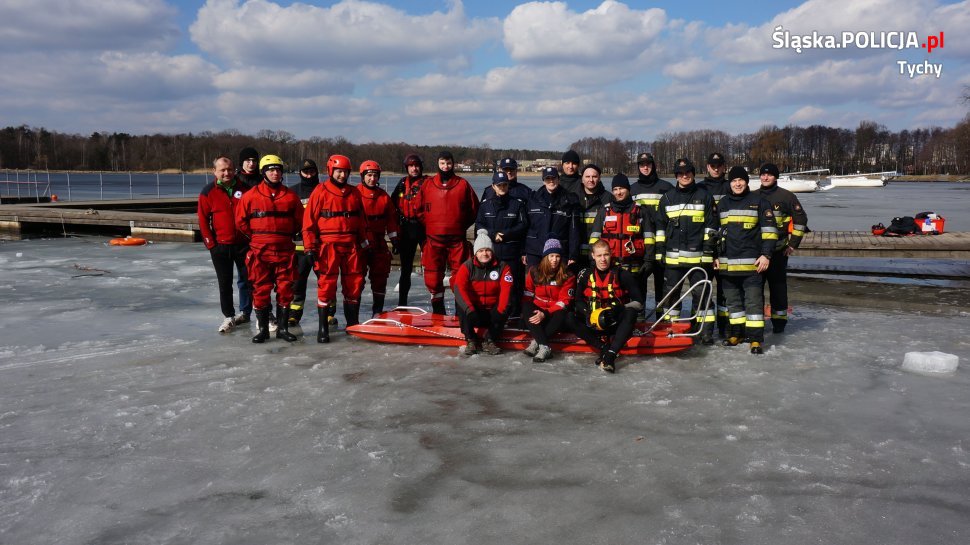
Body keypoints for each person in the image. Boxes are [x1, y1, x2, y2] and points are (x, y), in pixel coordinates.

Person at [235, 154, 304, 343]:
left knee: (285, 289)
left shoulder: (290, 196)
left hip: (284, 250)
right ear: (264, 172)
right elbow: (241, 221)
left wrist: (283, 234)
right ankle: (263, 330)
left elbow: (300, 221)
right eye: (271, 170)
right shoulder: (251, 196)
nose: (275, 173)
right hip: (260, 251)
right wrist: (258, 236)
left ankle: (282, 329)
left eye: (278, 170)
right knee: (260, 290)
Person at [302, 154, 371, 343]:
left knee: (354, 285)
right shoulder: (320, 191)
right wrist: (310, 248)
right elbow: (309, 223)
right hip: (328, 246)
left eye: (345, 172)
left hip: (351, 246)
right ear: (330, 171)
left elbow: (361, 221)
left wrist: (365, 244)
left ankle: (352, 324)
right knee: (326, 286)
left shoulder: (354, 193)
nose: (342, 175)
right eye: (338, 171)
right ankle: (323, 328)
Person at [655, 158, 718, 344]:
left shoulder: (705, 196)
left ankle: (705, 333)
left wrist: (708, 253)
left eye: (688, 172)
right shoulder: (666, 198)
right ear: (676, 176)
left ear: (693, 173)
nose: (685, 176)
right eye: (681, 173)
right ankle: (670, 331)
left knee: (702, 296)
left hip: (698, 260)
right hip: (673, 261)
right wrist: (659, 253)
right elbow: (660, 228)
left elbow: (711, 228)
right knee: (671, 298)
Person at [715, 166, 778, 354]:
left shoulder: (759, 202)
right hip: (727, 265)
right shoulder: (723, 203)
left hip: (752, 265)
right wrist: (714, 256)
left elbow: (770, 232)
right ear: (730, 183)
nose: (737, 183)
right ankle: (737, 334)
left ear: (747, 182)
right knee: (733, 304)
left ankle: (756, 339)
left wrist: (766, 255)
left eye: (740, 180)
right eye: (734, 180)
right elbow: (715, 233)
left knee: (753, 304)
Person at [414, 150, 480, 315]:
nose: (445, 166)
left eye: (448, 163)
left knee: (461, 277)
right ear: (438, 163)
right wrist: (431, 223)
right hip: (434, 240)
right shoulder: (427, 184)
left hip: (457, 240)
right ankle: (438, 311)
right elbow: (418, 209)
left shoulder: (463, 184)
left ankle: (460, 311)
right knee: (432, 276)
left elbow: (474, 210)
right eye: (442, 163)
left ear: (453, 164)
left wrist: (459, 225)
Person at [198, 156, 252, 333]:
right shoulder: (208, 192)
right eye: (222, 170)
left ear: (234, 169)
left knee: (249, 280)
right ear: (215, 172)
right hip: (221, 246)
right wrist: (211, 244)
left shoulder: (245, 189)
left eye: (229, 169)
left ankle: (246, 312)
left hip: (244, 245)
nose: (226, 173)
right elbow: (203, 221)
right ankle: (229, 316)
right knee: (225, 283)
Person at [572, 240, 644, 373]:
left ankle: (610, 355)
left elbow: (639, 303)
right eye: (599, 256)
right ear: (593, 256)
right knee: (569, 317)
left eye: (606, 255)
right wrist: (588, 314)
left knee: (631, 313)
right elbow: (577, 301)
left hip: (615, 322)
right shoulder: (585, 275)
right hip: (594, 324)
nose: (603, 259)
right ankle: (602, 347)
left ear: (611, 254)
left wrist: (620, 309)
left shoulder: (623, 275)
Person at [754, 163, 809, 334]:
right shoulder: (752, 196)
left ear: (775, 177)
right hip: (757, 253)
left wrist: (793, 244)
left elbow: (801, 220)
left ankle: (779, 323)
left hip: (778, 251)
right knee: (755, 290)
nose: (765, 177)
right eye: (763, 174)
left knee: (778, 288)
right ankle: (756, 323)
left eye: (769, 175)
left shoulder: (787, 197)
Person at [452, 229, 514, 356]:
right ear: (476, 253)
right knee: (460, 303)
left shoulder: (503, 267)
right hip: (473, 313)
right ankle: (471, 339)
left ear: (492, 252)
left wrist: (500, 312)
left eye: (487, 250)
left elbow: (507, 291)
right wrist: (469, 310)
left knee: (508, 304)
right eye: (481, 251)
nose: (484, 254)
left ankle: (490, 339)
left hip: (493, 313)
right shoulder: (467, 267)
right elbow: (459, 289)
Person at [476, 170, 528, 318]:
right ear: (493, 186)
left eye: (505, 185)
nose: (502, 187)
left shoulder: (517, 204)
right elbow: (479, 225)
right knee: (493, 286)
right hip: (492, 253)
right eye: (499, 185)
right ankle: (494, 315)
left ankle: (515, 316)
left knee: (513, 287)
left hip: (512, 252)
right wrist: (493, 234)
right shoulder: (485, 205)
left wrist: (506, 235)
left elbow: (523, 225)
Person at [630, 152, 673, 318]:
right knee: (640, 281)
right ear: (638, 167)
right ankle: (639, 314)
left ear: (653, 165)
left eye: (648, 164)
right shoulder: (632, 189)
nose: (645, 167)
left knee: (663, 283)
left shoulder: (667, 187)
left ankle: (662, 315)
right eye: (642, 165)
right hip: (641, 246)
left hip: (663, 244)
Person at [521, 238, 576, 363]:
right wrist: (527, 312)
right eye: (551, 256)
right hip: (538, 308)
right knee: (526, 306)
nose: (555, 259)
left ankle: (538, 342)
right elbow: (528, 293)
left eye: (557, 256)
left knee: (563, 312)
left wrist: (545, 313)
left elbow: (564, 301)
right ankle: (544, 345)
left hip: (554, 311)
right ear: (546, 256)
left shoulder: (568, 275)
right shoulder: (534, 271)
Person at [588, 173, 655, 275]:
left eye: (621, 188)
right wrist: (593, 259)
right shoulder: (604, 211)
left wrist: (649, 261)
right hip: (610, 268)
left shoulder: (641, 211)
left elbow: (649, 238)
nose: (618, 192)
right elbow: (594, 239)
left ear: (628, 189)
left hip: (636, 269)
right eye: (615, 189)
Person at [357, 160, 400, 317]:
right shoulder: (355, 194)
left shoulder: (383, 196)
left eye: (375, 175)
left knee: (380, 277)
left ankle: (377, 311)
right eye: (369, 175)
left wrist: (394, 240)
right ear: (363, 176)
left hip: (379, 243)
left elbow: (391, 220)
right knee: (356, 279)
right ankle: (353, 314)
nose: (372, 179)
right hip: (360, 243)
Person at [699, 152, 731, 337]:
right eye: (712, 165)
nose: (716, 168)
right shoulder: (700, 188)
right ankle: (704, 329)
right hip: (706, 246)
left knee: (725, 290)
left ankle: (725, 328)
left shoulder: (731, 186)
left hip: (728, 247)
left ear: (724, 166)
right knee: (703, 288)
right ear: (707, 167)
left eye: (719, 165)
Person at [390, 153, 427, 306]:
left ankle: (437, 302)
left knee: (431, 267)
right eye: (411, 166)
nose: (414, 168)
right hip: (406, 229)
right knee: (405, 269)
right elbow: (391, 205)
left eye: (416, 165)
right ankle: (402, 304)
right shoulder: (401, 183)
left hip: (423, 228)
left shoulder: (428, 183)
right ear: (407, 168)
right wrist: (395, 236)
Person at [524, 166, 580, 268]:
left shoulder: (569, 200)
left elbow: (573, 229)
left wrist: (573, 254)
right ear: (543, 181)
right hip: (535, 251)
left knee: (558, 283)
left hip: (559, 253)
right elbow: (525, 227)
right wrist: (522, 252)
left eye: (553, 178)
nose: (551, 181)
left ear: (558, 179)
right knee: (534, 281)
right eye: (547, 179)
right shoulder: (533, 200)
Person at [288, 159, 321, 325]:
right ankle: (294, 313)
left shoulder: (324, 190)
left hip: (320, 245)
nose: (309, 175)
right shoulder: (292, 192)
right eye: (305, 171)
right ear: (300, 173)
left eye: (312, 171)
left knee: (325, 281)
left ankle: (328, 314)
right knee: (297, 283)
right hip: (299, 246)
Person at [574, 163, 611, 266]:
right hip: (577, 255)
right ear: (582, 179)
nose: (591, 180)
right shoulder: (573, 198)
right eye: (587, 176)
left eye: (594, 176)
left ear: (599, 178)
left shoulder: (608, 199)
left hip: (599, 257)